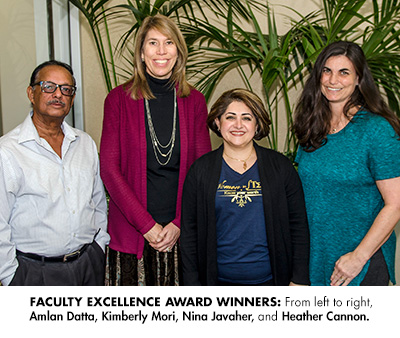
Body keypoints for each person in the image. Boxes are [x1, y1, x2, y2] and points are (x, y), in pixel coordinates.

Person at [100, 14, 211, 286]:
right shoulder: (118, 100)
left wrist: (178, 223)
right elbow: (109, 170)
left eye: (169, 43)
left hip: (181, 235)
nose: (161, 51)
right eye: (153, 43)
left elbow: (203, 169)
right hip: (132, 235)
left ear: (179, 52)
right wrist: (147, 226)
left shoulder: (194, 100)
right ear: (141, 52)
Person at [293, 41, 400, 286]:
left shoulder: (376, 129)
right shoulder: (312, 126)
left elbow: (395, 203)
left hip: (360, 263)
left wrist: (358, 257)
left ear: (359, 79)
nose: (333, 80)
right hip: (317, 259)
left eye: (344, 72)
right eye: (327, 71)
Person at [180, 88, 310, 286]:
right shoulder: (200, 171)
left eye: (247, 118)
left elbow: (298, 226)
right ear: (217, 122)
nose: (238, 125)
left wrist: (299, 280)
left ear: (257, 125)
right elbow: (189, 234)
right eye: (230, 117)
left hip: (273, 282)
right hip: (217, 284)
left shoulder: (281, 167)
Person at [0, 60, 110, 286]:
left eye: (66, 89)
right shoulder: (8, 151)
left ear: (72, 98)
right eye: (49, 86)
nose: (58, 94)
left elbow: (98, 202)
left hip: (88, 265)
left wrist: (99, 247)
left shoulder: (84, 144)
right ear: (32, 93)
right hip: (34, 273)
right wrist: (11, 277)